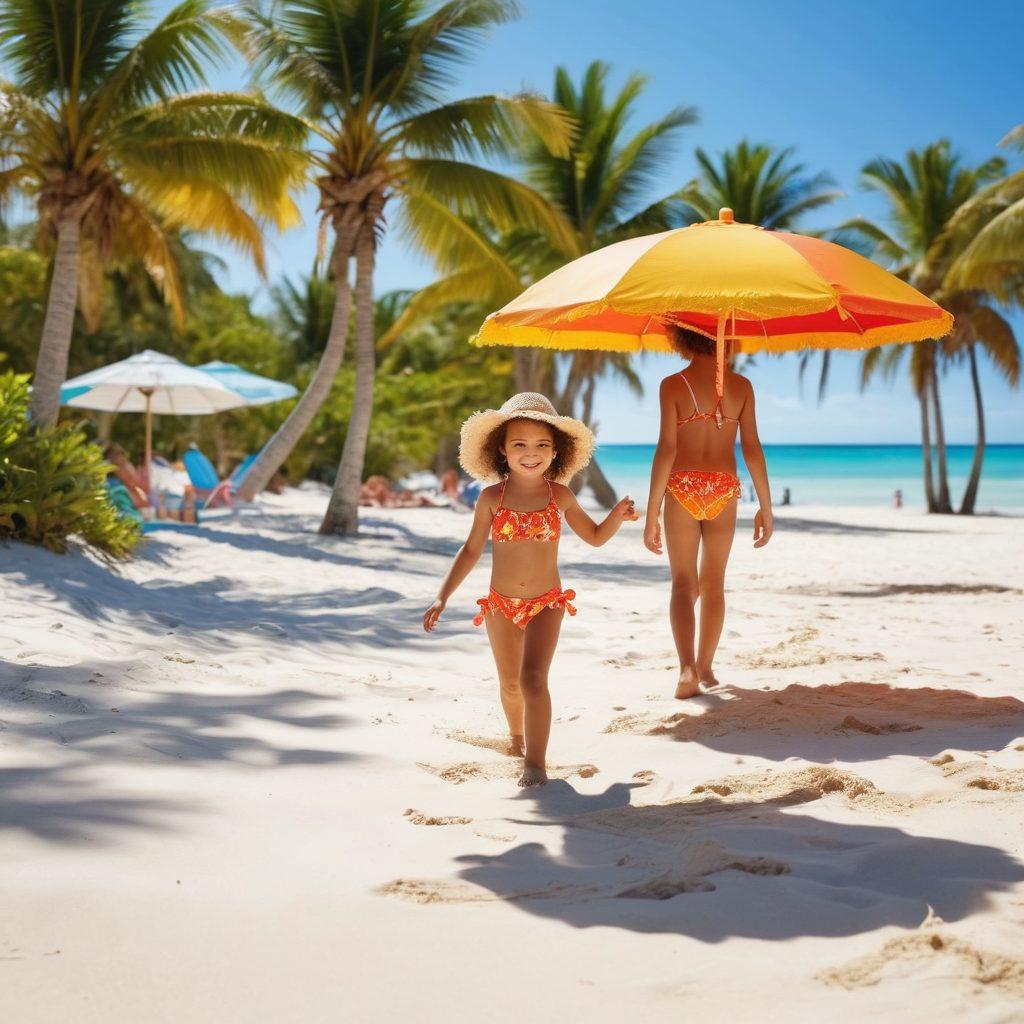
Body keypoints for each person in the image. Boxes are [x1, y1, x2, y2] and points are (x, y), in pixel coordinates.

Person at [423, 393, 638, 787]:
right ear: (502, 450)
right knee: (510, 684)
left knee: (533, 680)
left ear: (556, 452)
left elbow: (594, 537)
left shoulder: (560, 496)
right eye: (519, 444)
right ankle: (516, 736)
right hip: (500, 605)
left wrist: (616, 516)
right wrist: (443, 595)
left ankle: (535, 764)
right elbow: (471, 550)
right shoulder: (491, 498)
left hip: (546, 603)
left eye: (542, 445)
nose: (531, 453)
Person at [644, 325, 773, 699]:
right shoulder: (742, 387)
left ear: (683, 338)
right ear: (727, 340)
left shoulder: (672, 385)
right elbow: (752, 448)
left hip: (683, 485)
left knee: (684, 584)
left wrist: (653, 511)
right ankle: (706, 667)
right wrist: (765, 507)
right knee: (714, 582)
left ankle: (687, 669)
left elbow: (666, 450)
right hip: (724, 488)